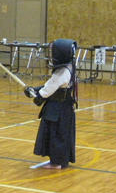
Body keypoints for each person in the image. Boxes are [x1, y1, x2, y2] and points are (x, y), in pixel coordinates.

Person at [23, 39, 77, 169]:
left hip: (57, 109)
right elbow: (50, 85)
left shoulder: (62, 72)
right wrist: (36, 90)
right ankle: (60, 161)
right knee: (62, 135)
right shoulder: (70, 67)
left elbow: (49, 89)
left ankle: (56, 163)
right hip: (65, 108)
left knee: (56, 135)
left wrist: (38, 96)